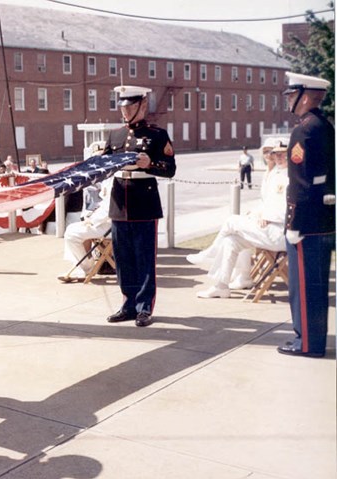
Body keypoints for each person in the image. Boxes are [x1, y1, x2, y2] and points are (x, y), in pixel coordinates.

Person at [103, 85, 176, 327]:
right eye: (122, 107)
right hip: (119, 204)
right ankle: (128, 304)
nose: (125, 112)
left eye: (130, 107)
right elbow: (103, 165)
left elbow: (170, 169)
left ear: (142, 106)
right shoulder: (114, 135)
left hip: (144, 203)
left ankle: (144, 308)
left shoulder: (157, 135)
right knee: (123, 259)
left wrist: (150, 163)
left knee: (144, 259)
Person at [278, 72, 335, 358]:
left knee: (304, 288)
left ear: (306, 96)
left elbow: (301, 182)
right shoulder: (324, 125)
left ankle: (307, 344)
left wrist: (294, 222)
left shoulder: (304, 129)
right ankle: (312, 340)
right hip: (323, 219)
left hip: (307, 223)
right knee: (315, 286)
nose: (289, 99)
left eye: (292, 94)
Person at [187, 143, 289, 298]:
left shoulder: (292, 176)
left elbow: (288, 207)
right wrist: (257, 214)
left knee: (232, 221)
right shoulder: (276, 172)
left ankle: (209, 253)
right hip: (268, 229)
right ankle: (221, 286)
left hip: (280, 232)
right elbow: (267, 202)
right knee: (231, 241)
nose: (278, 157)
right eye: (275, 154)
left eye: (282, 153)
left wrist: (267, 216)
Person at [58, 176, 113, 282]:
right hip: (103, 222)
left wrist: (92, 220)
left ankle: (86, 267)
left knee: (72, 234)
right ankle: (80, 266)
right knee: (71, 228)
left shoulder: (114, 180)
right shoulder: (109, 178)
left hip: (110, 225)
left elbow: (109, 208)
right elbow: (103, 205)